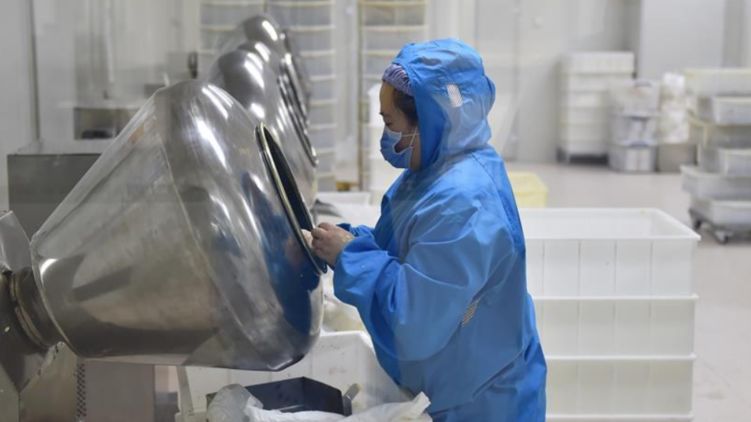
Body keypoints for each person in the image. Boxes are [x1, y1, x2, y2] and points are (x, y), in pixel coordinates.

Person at [310, 39, 546, 421]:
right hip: (456, 378)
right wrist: (348, 241)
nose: (386, 138)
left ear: (430, 121)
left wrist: (351, 255)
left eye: (390, 124)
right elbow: (408, 251)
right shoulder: (436, 168)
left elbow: (414, 320)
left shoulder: (463, 204)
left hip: (479, 402)